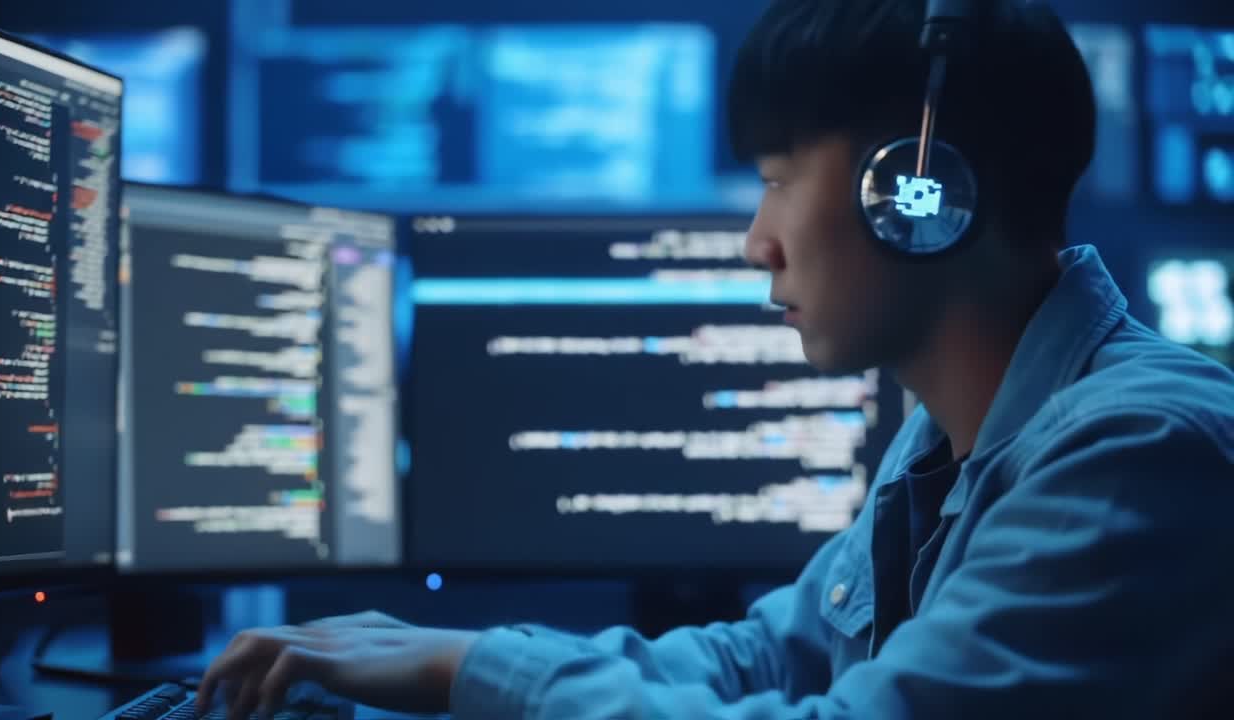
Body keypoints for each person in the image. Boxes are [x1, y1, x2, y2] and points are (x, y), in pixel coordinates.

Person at [197, 0, 1234, 718]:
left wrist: (468, 669)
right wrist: (424, 659)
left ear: (918, 192)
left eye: (779, 180)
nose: (754, 240)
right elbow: (761, 659)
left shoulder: (1132, 453)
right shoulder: (948, 446)